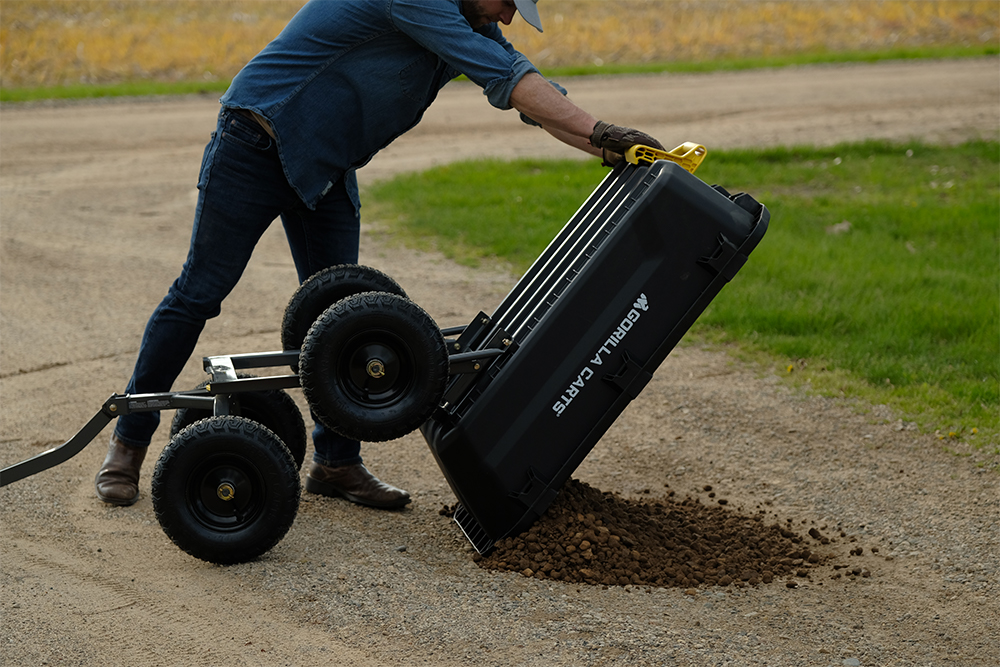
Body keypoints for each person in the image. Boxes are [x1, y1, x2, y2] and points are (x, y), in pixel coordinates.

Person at [95, 0, 664, 510]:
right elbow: (513, 81)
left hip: (326, 168)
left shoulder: (469, 20)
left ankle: (337, 464)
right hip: (257, 142)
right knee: (200, 292)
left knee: (342, 314)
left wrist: (611, 145)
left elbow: (533, 95)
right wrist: (603, 132)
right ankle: (128, 444)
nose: (509, 18)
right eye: (507, 2)